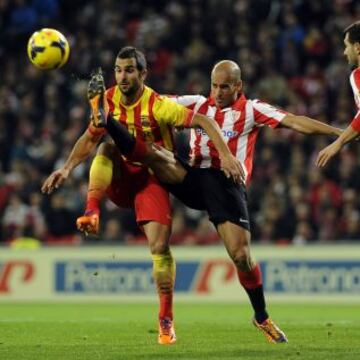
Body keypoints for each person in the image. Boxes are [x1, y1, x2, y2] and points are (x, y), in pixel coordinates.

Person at [86, 59, 343, 343]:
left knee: (241, 257)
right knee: (155, 153)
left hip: (226, 186)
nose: (218, 92)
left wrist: (339, 134)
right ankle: (107, 126)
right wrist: (114, 97)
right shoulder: (196, 103)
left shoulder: (252, 109)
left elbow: (295, 121)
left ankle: (261, 317)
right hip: (192, 176)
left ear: (238, 86)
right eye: (214, 86)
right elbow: (148, 99)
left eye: (224, 87)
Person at [41, 47, 243, 345]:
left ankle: (166, 321)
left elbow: (204, 121)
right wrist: (68, 167)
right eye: (119, 69)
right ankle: (92, 211)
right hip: (121, 177)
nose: (122, 76)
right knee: (106, 145)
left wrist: (225, 155)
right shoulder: (107, 98)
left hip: (152, 180)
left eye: (129, 70)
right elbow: (88, 138)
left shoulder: (159, 106)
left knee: (160, 247)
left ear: (143, 74)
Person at [316, 21, 360, 167]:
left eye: (346, 46)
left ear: (357, 47)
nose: (344, 52)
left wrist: (338, 143)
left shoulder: (358, 74)